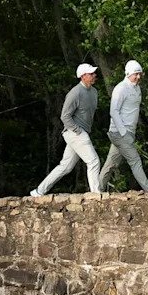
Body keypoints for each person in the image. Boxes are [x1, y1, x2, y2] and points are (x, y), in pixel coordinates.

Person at [30, 63, 102, 196]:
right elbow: (65, 116)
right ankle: (96, 195)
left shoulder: (94, 92)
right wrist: (78, 131)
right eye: (91, 74)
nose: (94, 75)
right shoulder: (75, 93)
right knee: (93, 161)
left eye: (93, 73)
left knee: (66, 167)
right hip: (75, 132)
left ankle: (38, 191)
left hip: (81, 132)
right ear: (83, 76)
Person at [98, 59, 148, 193]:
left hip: (128, 132)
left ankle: (96, 190)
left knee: (111, 163)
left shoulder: (137, 89)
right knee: (135, 160)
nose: (138, 77)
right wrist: (124, 133)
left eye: (140, 74)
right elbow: (114, 111)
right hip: (119, 133)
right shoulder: (121, 88)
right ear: (128, 73)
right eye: (136, 74)